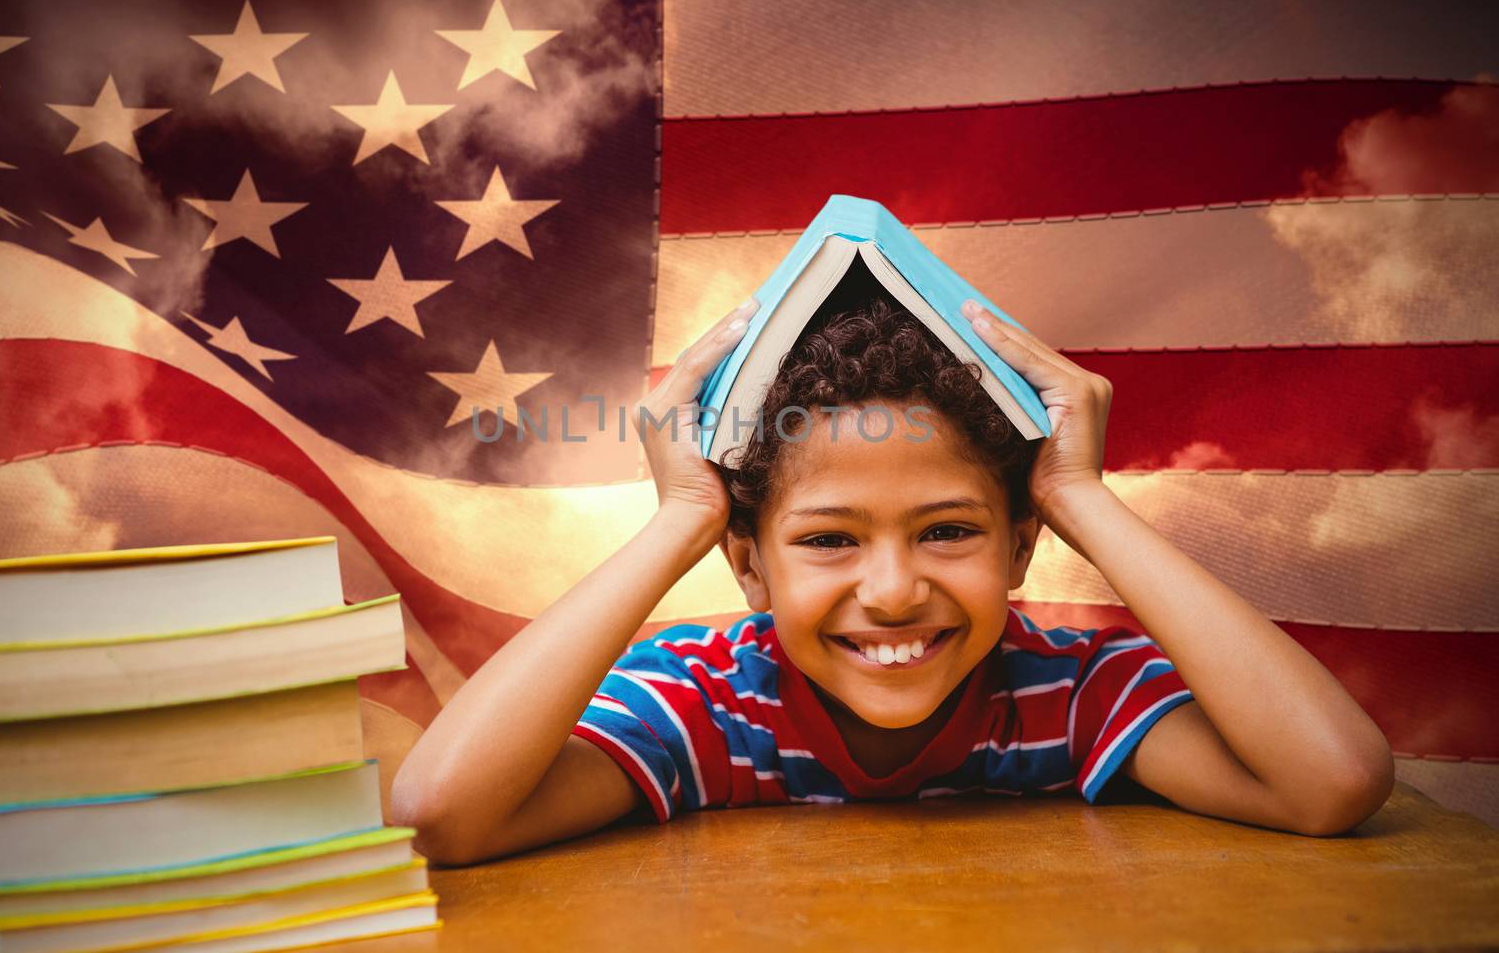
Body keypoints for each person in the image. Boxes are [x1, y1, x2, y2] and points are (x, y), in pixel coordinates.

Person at [391, 294, 1395, 865]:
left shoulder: (1074, 690)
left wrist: (1078, 493)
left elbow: (1333, 781)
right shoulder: (701, 703)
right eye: (828, 539)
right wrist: (682, 515)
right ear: (748, 562)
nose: (893, 588)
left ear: (1018, 547)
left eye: (949, 530)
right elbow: (441, 812)